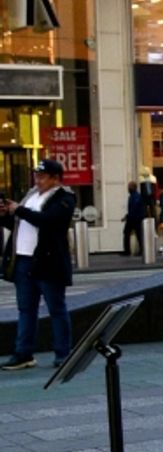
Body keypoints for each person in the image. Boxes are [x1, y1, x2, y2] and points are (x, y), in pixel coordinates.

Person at [1, 157, 76, 370]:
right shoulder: (31, 196)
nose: (38, 180)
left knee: (56, 308)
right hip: (23, 260)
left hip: (48, 261)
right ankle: (23, 353)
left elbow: (48, 221)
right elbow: (19, 223)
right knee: (26, 309)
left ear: (55, 179)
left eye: (42, 176)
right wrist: (6, 215)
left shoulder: (65, 198)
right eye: (36, 175)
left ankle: (63, 353)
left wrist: (19, 210)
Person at [122, 181, 146, 256]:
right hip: (135, 217)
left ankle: (127, 251)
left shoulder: (135, 196)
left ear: (132, 187)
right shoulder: (135, 196)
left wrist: (128, 216)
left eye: (129, 187)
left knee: (127, 233)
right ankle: (141, 250)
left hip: (135, 218)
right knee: (138, 234)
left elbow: (134, 208)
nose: (128, 188)